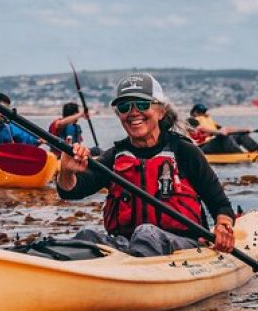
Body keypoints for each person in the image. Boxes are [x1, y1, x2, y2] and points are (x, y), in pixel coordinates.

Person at [56, 73, 236, 257]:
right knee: (87, 236)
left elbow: (220, 205)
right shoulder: (114, 157)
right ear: (119, 115)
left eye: (142, 104)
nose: (133, 112)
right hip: (128, 247)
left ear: (161, 111)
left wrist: (222, 226)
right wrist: (67, 172)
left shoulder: (185, 151)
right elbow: (70, 191)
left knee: (146, 233)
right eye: (125, 107)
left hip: (183, 248)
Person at [187, 103, 258, 154]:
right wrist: (218, 132)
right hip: (202, 148)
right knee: (225, 137)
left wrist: (244, 130)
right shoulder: (191, 120)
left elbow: (225, 129)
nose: (202, 114)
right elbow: (201, 128)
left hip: (213, 143)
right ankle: (241, 155)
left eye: (203, 111)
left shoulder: (207, 120)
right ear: (194, 112)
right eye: (199, 112)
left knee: (240, 135)